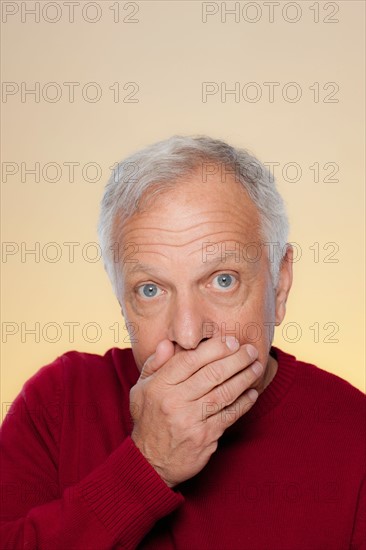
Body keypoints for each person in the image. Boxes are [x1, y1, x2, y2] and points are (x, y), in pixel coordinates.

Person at [1, 135, 365, 550]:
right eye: (151, 289)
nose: (189, 334)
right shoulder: (58, 404)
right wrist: (146, 466)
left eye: (222, 280)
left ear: (280, 286)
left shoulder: (356, 438)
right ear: (120, 298)